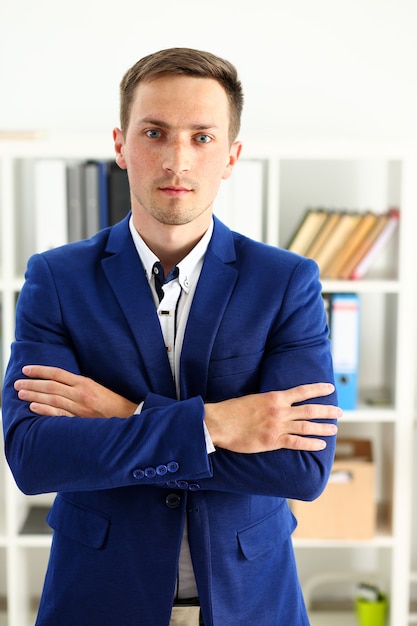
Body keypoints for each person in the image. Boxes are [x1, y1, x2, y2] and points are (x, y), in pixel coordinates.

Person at [2, 47, 341, 626]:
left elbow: (300, 469)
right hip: (99, 594)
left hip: (248, 596)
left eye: (202, 137)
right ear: (120, 145)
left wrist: (126, 413)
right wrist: (217, 424)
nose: (176, 160)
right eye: (154, 132)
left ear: (232, 155)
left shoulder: (286, 281)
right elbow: (36, 457)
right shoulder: (56, 278)